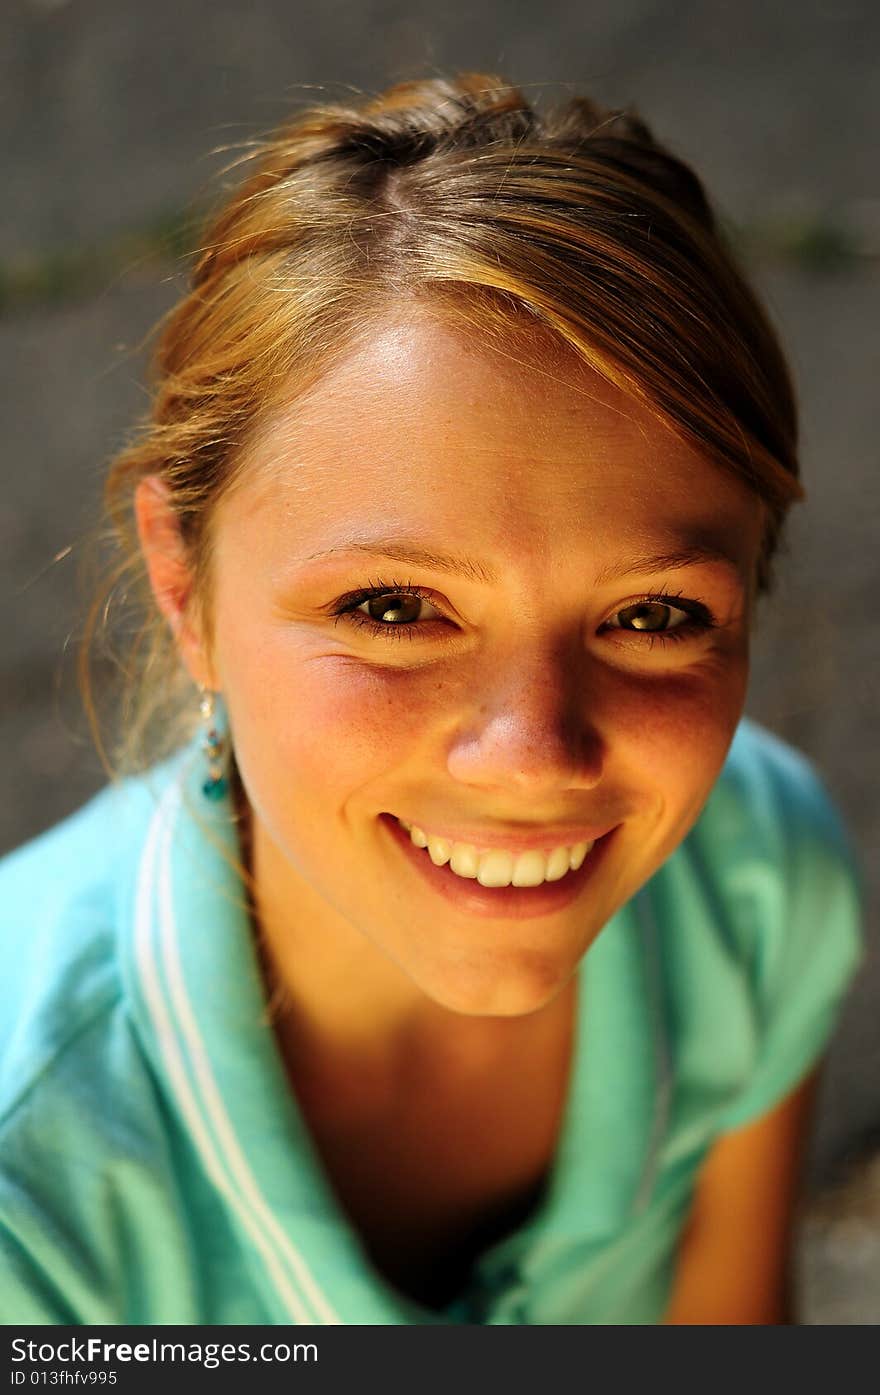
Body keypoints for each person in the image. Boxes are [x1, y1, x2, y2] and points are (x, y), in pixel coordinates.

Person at [0, 72, 864, 1326]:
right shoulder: (32, 1182)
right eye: (393, 610)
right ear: (183, 588)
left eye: (653, 616)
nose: (531, 757)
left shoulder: (750, 884)